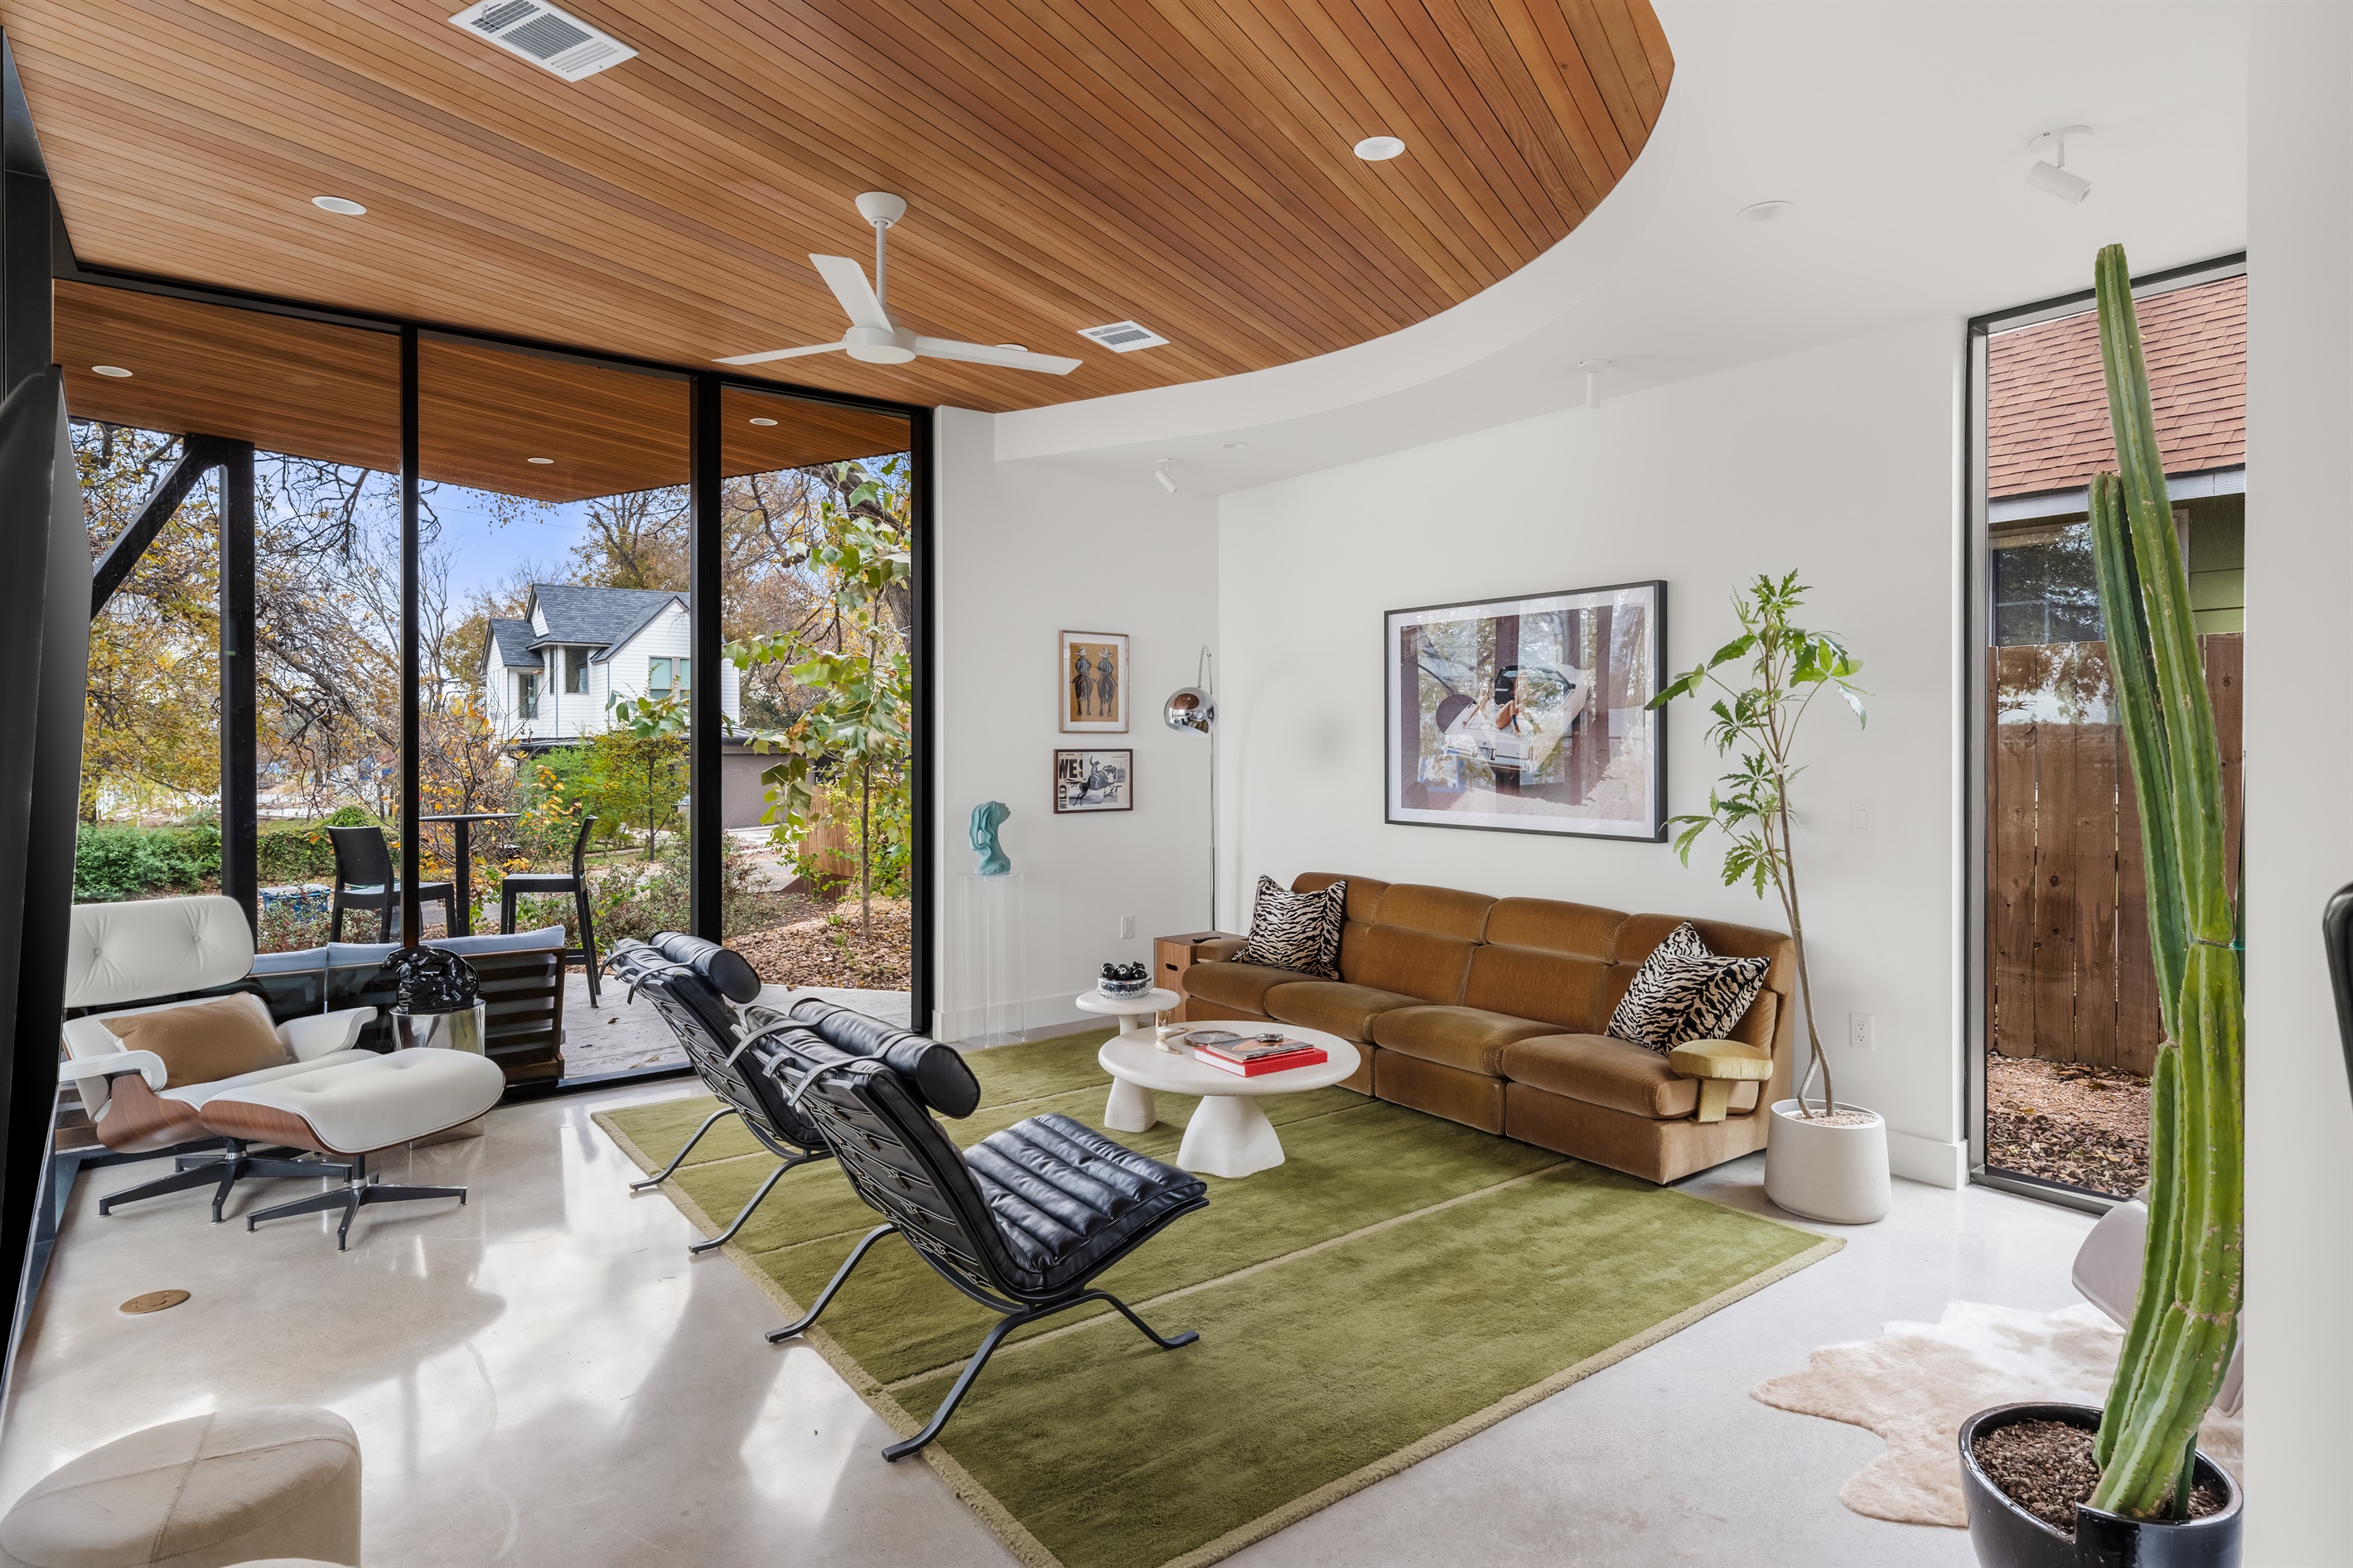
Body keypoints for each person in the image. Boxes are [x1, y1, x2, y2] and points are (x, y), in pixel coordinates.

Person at [1070, 649, 1093, 719]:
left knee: (1074, 681)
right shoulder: (1087, 661)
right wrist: (1087, 672)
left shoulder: (1078, 661)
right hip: (1087, 674)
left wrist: (1080, 672)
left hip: (1080, 674)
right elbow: (1090, 666)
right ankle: (1088, 710)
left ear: (1080, 655)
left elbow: (1077, 668)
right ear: (1085, 655)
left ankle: (1079, 710)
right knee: (1091, 682)